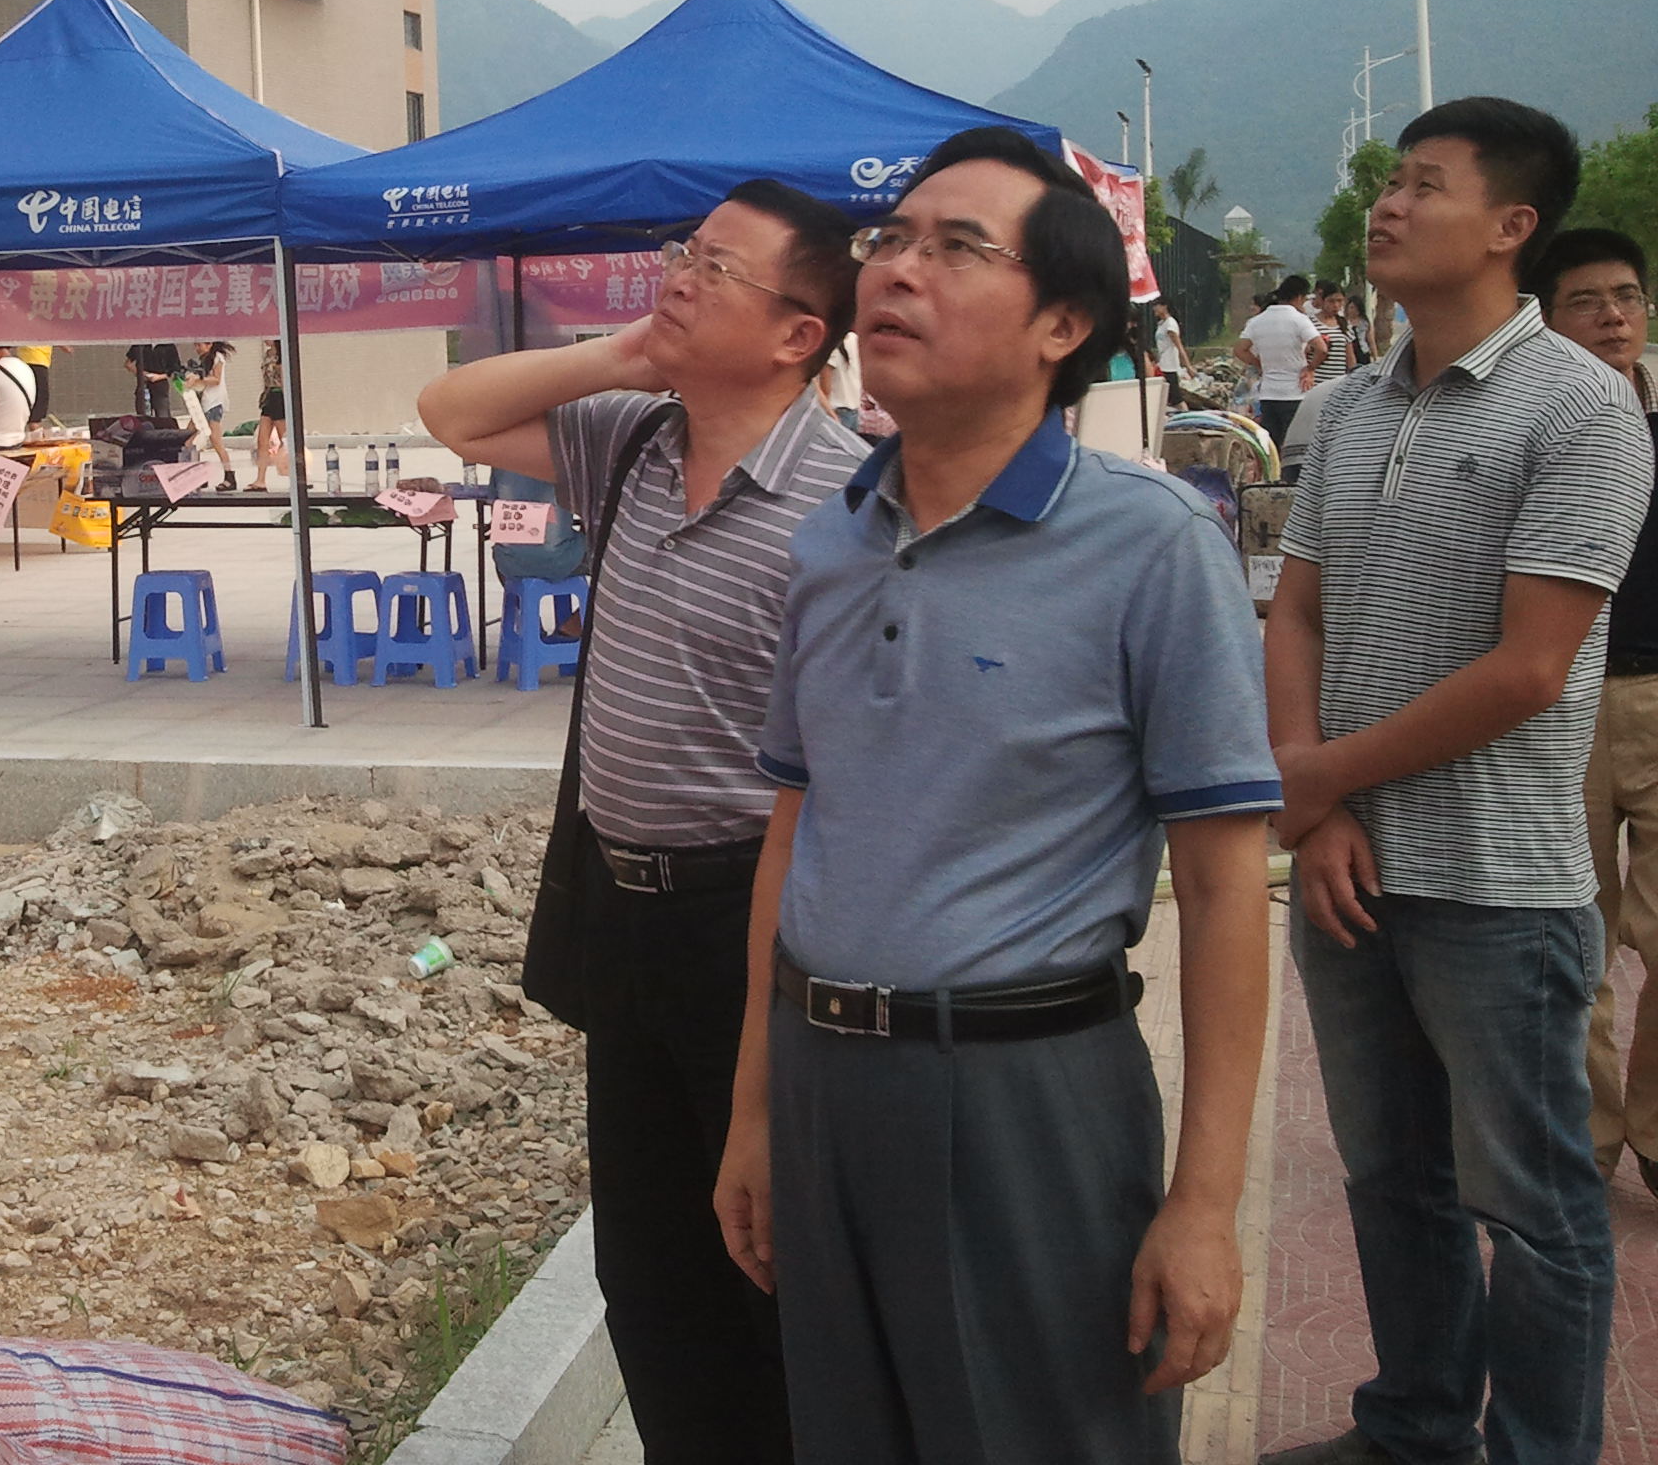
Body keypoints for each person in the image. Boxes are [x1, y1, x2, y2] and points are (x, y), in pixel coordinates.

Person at [714, 126, 1274, 1465]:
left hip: (1026, 1095)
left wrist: (1204, 1206)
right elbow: (793, 833)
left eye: (957, 248)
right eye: (889, 241)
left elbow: (1221, 884)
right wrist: (755, 1113)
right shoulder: (831, 544)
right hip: (823, 1078)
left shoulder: (1152, 545)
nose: (896, 272)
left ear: (1061, 325)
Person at [420, 180, 863, 1465]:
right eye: (684, 252)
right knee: (651, 1270)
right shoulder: (629, 439)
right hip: (620, 908)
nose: (678, 276)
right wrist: (628, 352)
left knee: (766, 1255)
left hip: (755, 916)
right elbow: (450, 412)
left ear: (797, 335)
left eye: (717, 270)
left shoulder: (848, 503)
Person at [1262, 99, 1653, 1465]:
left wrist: (1315, 780)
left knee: (1534, 1206)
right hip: (1349, 869)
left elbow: (1529, 669)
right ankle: (1416, 1427)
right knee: (1391, 1180)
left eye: (1424, 184)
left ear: (1508, 226)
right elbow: (1297, 611)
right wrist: (1321, 809)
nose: (1388, 204)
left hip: (1499, 881)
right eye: (1391, 180)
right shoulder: (1345, 407)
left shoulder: (1584, 410)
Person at [1532, 226, 1658, 1191]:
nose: (1613, 316)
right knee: (1573, 942)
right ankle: (1589, 1136)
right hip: (1557, 702)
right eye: (1587, 301)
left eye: (1627, 296)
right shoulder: (1532, 429)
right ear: (1545, 318)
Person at [487, 467, 589, 639]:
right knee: (620, 565)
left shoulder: (499, 461)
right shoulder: (566, 458)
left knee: (503, 554)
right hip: (561, 558)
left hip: (509, 563)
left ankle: (532, 625)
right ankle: (572, 627)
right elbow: (589, 505)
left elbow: (495, 509)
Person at [1238, 274, 1326, 448]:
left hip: (1268, 394)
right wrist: (1310, 368)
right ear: (1299, 297)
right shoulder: (1299, 320)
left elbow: (1240, 350)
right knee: (1294, 444)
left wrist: (1260, 364)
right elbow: (1322, 348)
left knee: (1272, 445)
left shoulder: (1257, 321)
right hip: (1295, 392)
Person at [187, 341, 238, 490]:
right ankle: (198, 475)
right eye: (195, 345)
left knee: (215, 440)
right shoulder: (203, 360)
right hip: (202, 404)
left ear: (209, 344)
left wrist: (198, 379)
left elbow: (216, 380)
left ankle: (229, 476)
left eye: (199, 345)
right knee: (188, 438)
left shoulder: (217, 357)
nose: (197, 348)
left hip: (213, 403)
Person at [247, 339, 291, 491]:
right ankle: (260, 479)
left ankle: (297, 475)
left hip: (279, 396)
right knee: (262, 441)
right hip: (268, 396)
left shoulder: (282, 353)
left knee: (285, 439)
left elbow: (284, 378)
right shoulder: (267, 354)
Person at [125, 341, 178, 421]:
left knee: (163, 415)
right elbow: (128, 364)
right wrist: (141, 373)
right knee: (143, 415)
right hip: (143, 384)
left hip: (160, 384)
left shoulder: (168, 345)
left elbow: (175, 370)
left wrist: (158, 377)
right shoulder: (140, 344)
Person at [1152, 293, 1189, 405]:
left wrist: (1188, 366)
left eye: (1157, 305)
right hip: (1163, 364)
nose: (1154, 308)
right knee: (1167, 398)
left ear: (1165, 306)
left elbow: (1179, 346)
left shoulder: (1170, 324)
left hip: (1170, 366)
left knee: (1176, 398)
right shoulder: (1161, 324)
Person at [1313, 279, 1356, 372]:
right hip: (1316, 378)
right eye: (1331, 301)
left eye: (1339, 301)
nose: (1336, 305)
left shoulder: (1345, 324)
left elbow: (1350, 356)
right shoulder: (1310, 323)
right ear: (1323, 301)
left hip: (1338, 377)